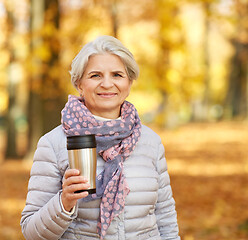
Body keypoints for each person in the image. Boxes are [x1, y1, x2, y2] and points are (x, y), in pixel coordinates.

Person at [20, 35, 180, 240]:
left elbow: (165, 218)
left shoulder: (150, 141)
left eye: (117, 75)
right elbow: (31, 233)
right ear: (79, 84)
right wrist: (64, 202)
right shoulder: (53, 144)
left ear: (129, 82)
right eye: (95, 75)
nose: (107, 84)